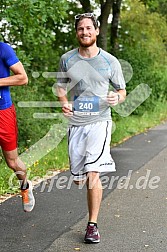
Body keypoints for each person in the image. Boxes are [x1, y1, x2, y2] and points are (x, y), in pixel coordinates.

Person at [57, 13, 126, 243]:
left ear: (96, 31)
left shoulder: (110, 61)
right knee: (78, 178)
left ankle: (92, 225)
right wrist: (64, 102)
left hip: (100, 122)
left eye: (88, 28)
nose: (84, 32)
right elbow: (59, 87)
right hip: (76, 124)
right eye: (80, 29)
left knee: (93, 172)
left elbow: (122, 91)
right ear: (76, 32)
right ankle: (82, 178)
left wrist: (117, 98)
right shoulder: (67, 59)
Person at [0, 41, 35, 212]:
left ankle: (25, 185)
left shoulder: (2, 49)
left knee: (12, 162)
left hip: (2, 112)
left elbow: (22, 77)